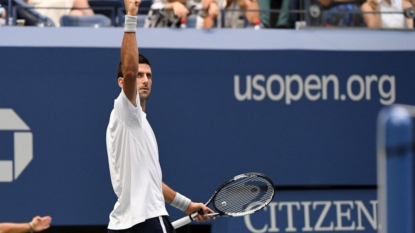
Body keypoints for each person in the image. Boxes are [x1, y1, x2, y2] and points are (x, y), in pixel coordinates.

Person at [106, 0, 214, 232]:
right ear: (122, 83)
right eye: (139, 75)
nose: (144, 79)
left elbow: (152, 182)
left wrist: (187, 205)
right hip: (147, 220)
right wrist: (131, 17)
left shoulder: (139, 125)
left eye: (149, 76)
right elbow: (129, 70)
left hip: (121, 225)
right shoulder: (125, 111)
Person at [145, 0, 219, 28]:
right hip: (154, 41)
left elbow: (202, 13)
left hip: (176, 41)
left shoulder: (188, 3)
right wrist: (173, 5)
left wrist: (210, 4)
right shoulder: (159, 2)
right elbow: (156, 8)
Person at [24, 0, 94, 27]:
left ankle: (97, 28)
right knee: (79, 1)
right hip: (39, 7)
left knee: (77, 14)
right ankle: (98, 27)